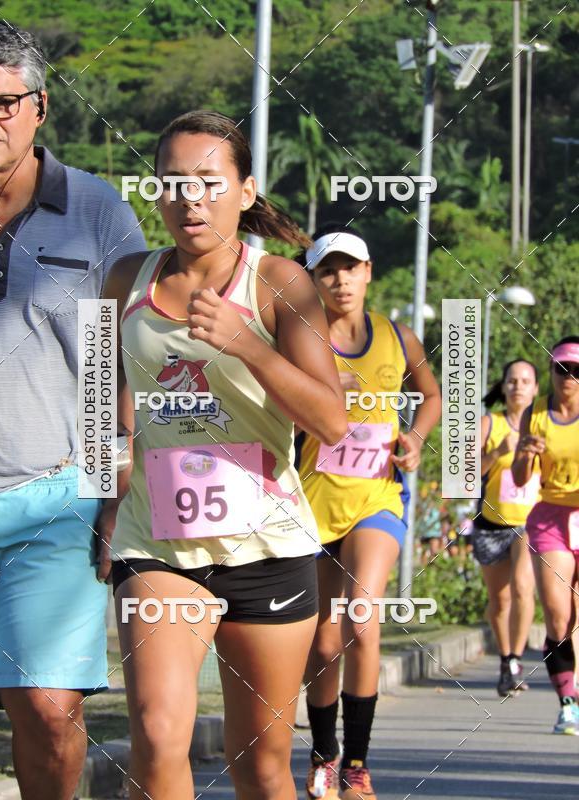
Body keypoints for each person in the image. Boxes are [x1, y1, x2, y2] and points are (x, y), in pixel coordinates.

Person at [103, 110, 348, 800]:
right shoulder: (122, 279)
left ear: (245, 192)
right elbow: (98, 404)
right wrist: (103, 505)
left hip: (267, 546)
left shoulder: (280, 284)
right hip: (156, 544)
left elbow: (330, 421)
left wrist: (243, 342)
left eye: (209, 182)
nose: (190, 200)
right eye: (174, 183)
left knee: (263, 768)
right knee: (155, 737)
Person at [0, 20, 146, 800]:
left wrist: (117, 485)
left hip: (54, 499)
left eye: (2, 102)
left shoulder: (97, 212)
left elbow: (124, 358)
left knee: (46, 709)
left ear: (39, 106)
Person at [297, 224, 441, 800]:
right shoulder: (301, 337)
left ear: (368, 272)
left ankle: (357, 764)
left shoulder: (397, 336)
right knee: (324, 644)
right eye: (328, 269)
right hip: (311, 507)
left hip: (376, 499)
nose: (340, 279)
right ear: (313, 278)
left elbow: (431, 394)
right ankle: (324, 753)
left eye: (350, 267)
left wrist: (415, 436)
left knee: (362, 616)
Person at [512, 337, 579, 735]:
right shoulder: (536, 414)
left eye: (577, 370)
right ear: (551, 371)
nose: (570, 377)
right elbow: (521, 479)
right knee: (557, 613)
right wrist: (526, 452)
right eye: (562, 369)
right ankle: (567, 702)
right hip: (551, 516)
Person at [473, 360, 539, 696]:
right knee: (499, 602)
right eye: (512, 381)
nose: (518, 387)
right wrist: (496, 453)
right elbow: (464, 477)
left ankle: (515, 658)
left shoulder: (544, 426)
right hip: (491, 522)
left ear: (536, 389)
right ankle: (505, 659)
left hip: (530, 520)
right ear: (504, 386)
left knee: (523, 588)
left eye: (525, 381)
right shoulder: (490, 423)